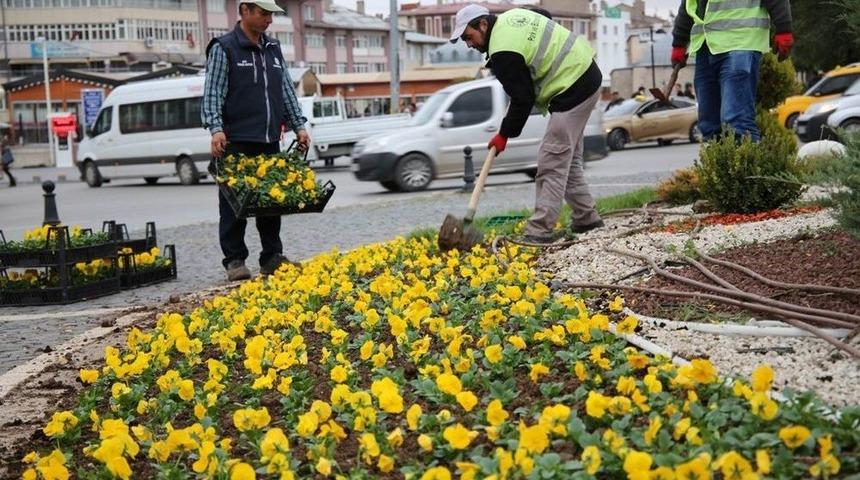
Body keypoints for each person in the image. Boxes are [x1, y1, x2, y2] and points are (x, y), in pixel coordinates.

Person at [450, 4, 604, 244]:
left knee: (552, 160)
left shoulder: (503, 52)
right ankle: (587, 218)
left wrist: (504, 134)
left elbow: (523, 99)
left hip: (573, 87)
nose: (469, 44)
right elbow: (545, 15)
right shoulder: (514, 16)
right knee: (568, 159)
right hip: (587, 73)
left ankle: (539, 231)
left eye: (469, 37)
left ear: (483, 24)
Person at [202, 0, 310, 281]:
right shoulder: (224, 48)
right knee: (233, 204)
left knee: (271, 201)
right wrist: (216, 128)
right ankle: (235, 260)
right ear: (245, 11)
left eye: (271, 14)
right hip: (235, 139)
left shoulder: (273, 49)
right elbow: (213, 92)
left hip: (268, 139)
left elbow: (286, 90)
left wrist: (299, 125)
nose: (269, 20)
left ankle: (272, 256)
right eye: (263, 13)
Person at [671, 0, 793, 141]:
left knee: (736, 120)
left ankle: (746, 161)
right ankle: (721, 161)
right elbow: (688, 4)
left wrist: (784, 29)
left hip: (740, 42)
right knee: (709, 124)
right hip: (705, 46)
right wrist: (679, 43)